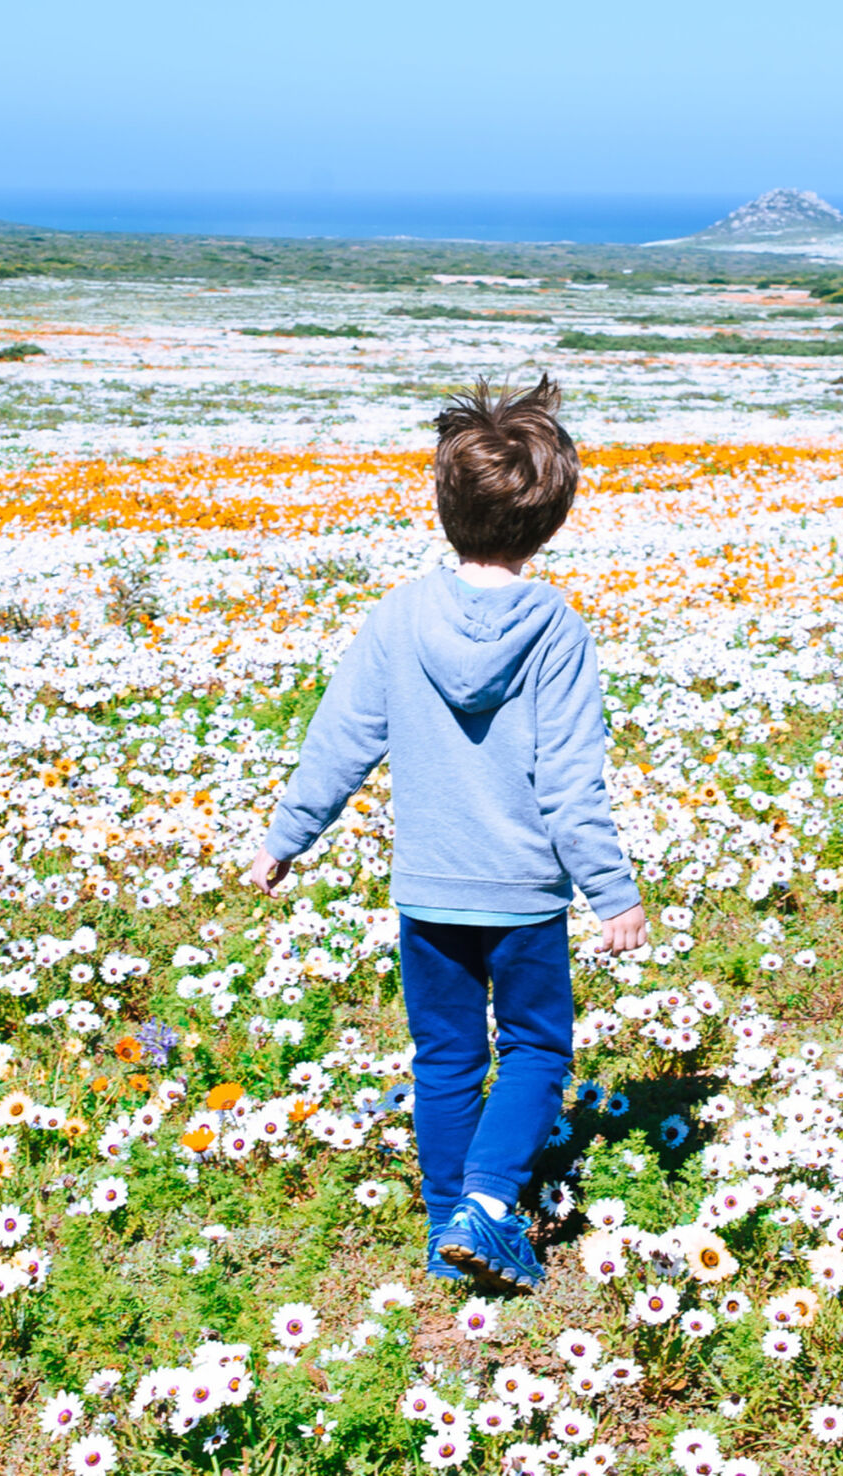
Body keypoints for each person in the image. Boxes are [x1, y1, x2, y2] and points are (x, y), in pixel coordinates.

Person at [244, 374, 648, 1292]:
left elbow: (339, 740)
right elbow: (568, 779)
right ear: (554, 518)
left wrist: (286, 838)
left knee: (448, 1058)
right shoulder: (556, 629)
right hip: (521, 893)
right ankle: (490, 1204)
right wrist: (611, 889)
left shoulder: (397, 618)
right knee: (538, 1049)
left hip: (429, 889)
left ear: (443, 505)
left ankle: (444, 1231)